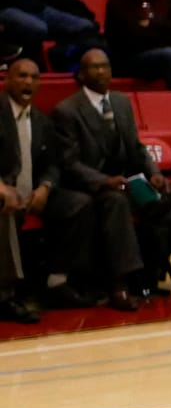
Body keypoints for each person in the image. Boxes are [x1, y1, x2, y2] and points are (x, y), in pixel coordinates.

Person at [53, 49, 171, 306]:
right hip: (92, 190)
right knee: (116, 200)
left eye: (105, 66)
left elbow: (136, 148)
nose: (101, 72)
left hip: (128, 183)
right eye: (94, 67)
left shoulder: (121, 102)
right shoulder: (66, 110)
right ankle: (120, 284)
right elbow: (70, 164)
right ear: (81, 74)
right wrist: (103, 181)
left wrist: (154, 174)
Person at [0, 55, 97, 320]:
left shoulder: (42, 120)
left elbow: (53, 164)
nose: (28, 81)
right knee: (5, 209)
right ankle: (8, 294)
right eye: (21, 76)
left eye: (34, 77)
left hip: (31, 194)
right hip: (3, 196)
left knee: (79, 204)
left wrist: (45, 187)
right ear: (7, 80)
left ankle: (56, 282)